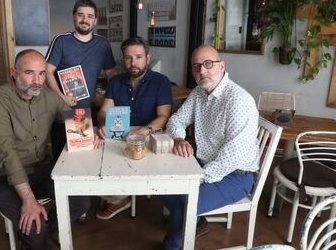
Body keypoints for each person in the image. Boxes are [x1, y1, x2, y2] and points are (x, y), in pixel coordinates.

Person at [0, 49, 91, 250]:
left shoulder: (49, 96)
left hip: (40, 168)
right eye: (29, 73)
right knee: (34, 228)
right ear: (14, 72)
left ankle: (46, 232)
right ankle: (38, 237)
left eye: (41, 74)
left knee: (80, 202)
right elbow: (7, 155)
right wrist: (29, 200)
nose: (37, 80)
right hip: (0, 175)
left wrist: (89, 133)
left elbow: (74, 121)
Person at [159, 45, 259, 250]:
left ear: (221, 66)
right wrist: (179, 139)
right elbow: (176, 120)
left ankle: (172, 244)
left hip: (236, 175)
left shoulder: (238, 99)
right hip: (203, 164)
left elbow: (233, 156)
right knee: (160, 185)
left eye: (208, 64)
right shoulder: (199, 93)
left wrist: (196, 179)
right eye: (196, 67)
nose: (202, 71)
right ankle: (195, 222)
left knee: (185, 204)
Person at [96, 36, 173, 220]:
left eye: (138, 57)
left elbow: (164, 116)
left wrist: (144, 130)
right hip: (118, 135)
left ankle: (122, 196)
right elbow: (104, 111)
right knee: (97, 169)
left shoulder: (161, 81)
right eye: (128, 58)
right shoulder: (115, 81)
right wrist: (102, 124)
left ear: (148, 57)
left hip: (149, 135)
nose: (133, 63)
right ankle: (119, 198)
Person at [45, 0, 116, 108]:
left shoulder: (103, 44)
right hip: (62, 108)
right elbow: (47, 72)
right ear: (73, 16)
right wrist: (61, 97)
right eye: (80, 15)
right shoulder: (61, 40)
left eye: (90, 16)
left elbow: (111, 75)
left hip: (88, 110)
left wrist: (111, 99)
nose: (85, 20)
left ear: (95, 20)